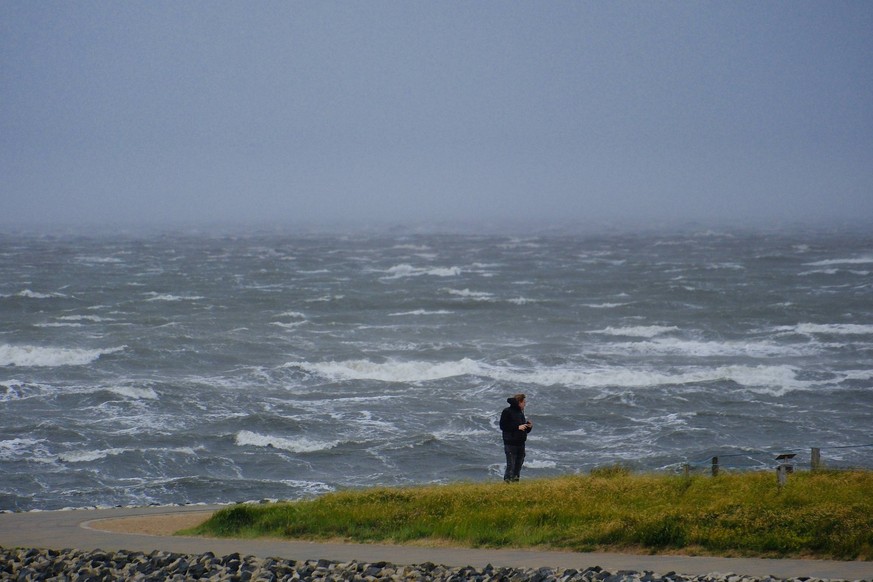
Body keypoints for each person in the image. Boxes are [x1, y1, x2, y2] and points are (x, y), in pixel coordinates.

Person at [499, 393, 532, 482]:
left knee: (518, 466)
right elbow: (503, 426)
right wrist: (517, 427)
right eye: (524, 402)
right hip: (510, 443)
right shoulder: (507, 411)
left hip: (521, 443)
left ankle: (515, 484)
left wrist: (528, 427)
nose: (525, 404)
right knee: (511, 466)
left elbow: (522, 429)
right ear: (519, 402)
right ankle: (507, 484)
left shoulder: (520, 413)